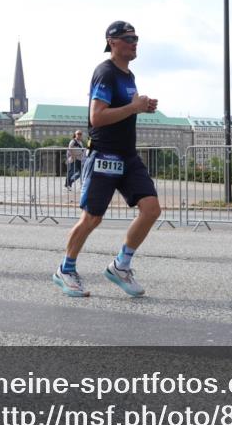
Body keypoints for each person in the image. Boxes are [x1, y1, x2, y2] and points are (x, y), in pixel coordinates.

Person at [52, 20, 160, 298]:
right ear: (112, 42)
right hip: (105, 154)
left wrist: (141, 108)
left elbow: (126, 109)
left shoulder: (129, 76)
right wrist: (133, 106)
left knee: (151, 209)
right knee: (92, 218)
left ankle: (121, 266)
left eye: (137, 38)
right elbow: (96, 117)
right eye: (129, 38)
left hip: (128, 155)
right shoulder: (105, 73)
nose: (135, 42)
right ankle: (65, 269)